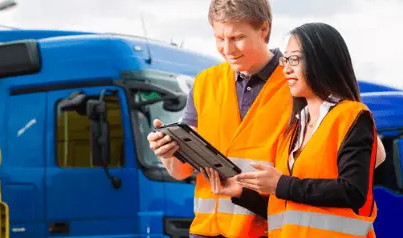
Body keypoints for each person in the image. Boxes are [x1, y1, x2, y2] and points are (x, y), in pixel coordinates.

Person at [202, 22, 381, 238]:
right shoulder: (293, 129)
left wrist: (281, 184)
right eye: (285, 59)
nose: (286, 68)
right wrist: (242, 193)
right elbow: (285, 207)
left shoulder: (352, 116)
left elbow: (353, 192)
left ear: (321, 61)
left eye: (294, 59)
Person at [147, 0, 293, 237]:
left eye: (236, 38)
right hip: (206, 231)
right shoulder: (205, 83)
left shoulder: (295, 83)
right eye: (219, 38)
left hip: (267, 230)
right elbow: (180, 171)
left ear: (263, 30)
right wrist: (168, 154)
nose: (227, 49)